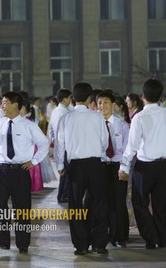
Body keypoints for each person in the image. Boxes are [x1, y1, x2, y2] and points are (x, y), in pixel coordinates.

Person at [0, 91, 49, 254]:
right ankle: (3, 240)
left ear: (16, 105)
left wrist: (33, 162)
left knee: (22, 209)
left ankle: (22, 244)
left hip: (20, 171)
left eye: (6, 102)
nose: (3, 106)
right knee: (0, 206)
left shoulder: (28, 125)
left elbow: (44, 144)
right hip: (2, 171)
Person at [118, 79, 166, 249]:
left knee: (139, 203)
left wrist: (124, 167)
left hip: (145, 166)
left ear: (143, 96)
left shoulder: (139, 117)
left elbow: (131, 146)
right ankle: (162, 238)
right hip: (164, 166)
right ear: (160, 95)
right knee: (160, 204)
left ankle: (151, 237)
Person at [55, 82, 108, 255]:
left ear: (73, 98)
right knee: (99, 202)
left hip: (75, 166)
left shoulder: (66, 118)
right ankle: (99, 243)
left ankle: (81, 245)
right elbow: (104, 142)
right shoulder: (97, 117)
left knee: (76, 205)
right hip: (94, 164)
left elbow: (59, 145)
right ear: (89, 98)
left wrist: (60, 166)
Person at [97, 90, 130, 249]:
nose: (102, 106)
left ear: (113, 105)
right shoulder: (94, 125)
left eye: (106, 102)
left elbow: (128, 149)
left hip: (118, 167)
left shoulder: (121, 124)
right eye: (99, 103)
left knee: (118, 202)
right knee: (104, 202)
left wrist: (125, 169)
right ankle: (105, 234)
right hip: (101, 167)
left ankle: (120, 236)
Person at [48, 88, 72, 203]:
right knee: (66, 173)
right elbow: (61, 131)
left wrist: (54, 139)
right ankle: (64, 195)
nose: (71, 100)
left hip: (62, 144)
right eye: (69, 98)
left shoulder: (58, 110)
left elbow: (51, 129)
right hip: (65, 145)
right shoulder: (62, 112)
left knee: (65, 173)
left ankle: (62, 195)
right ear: (64, 99)